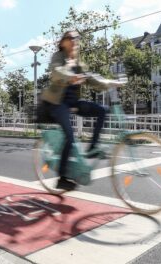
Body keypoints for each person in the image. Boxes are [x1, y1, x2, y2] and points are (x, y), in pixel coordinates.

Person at [40, 30, 125, 191]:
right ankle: (62, 178)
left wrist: (111, 83)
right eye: (71, 38)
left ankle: (93, 147)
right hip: (57, 104)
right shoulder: (58, 57)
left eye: (77, 38)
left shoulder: (78, 63)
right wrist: (69, 76)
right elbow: (57, 71)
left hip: (73, 103)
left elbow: (93, 79)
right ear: (63, 42)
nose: (75, 41)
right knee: (70, 137)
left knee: (102, 110)